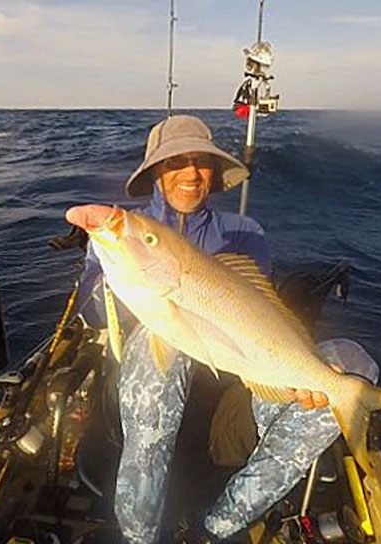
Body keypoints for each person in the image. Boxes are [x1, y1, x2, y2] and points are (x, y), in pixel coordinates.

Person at [71, 115, 341, 543]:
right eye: (176, 162)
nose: (191, 174)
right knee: (151, 342)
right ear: (156, 172)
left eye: (201, 162)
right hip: (144, 397)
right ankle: (139, 536)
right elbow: (95, 316)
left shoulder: (243, 232)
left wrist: (298, 376)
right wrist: (116, 268)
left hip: (226, 388)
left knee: (344, 369)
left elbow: (260, 320)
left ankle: (217, 528)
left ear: (214, 173)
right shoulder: (124, 234)